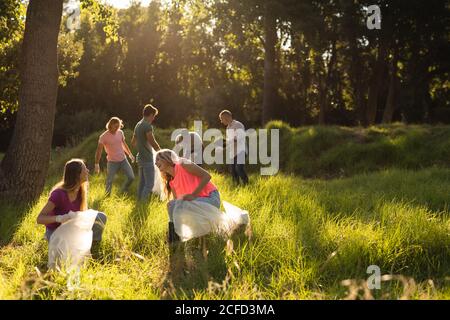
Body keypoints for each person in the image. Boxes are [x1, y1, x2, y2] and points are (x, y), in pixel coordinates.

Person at [155, 149, 220, 243]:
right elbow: (177, 207)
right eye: (155, 161)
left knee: (177, 205)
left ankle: (175, 239)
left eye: (158, 159)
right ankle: (174, 239)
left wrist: (193, 195)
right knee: (172, 205)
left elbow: (207, 176)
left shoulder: (183, 164)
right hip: (197, 202)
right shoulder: (172, 182)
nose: (155, 163)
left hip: (211, 198)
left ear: (167, 158)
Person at [37, 159, 107, 242]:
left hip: (71, 227)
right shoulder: (58, 194)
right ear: (77, 175)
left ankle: (93, 243)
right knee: (70, 245)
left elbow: (81, 214)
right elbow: (40, 219)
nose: (88, 171)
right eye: (85, 169)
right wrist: (59, 218)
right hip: (55, 231)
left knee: (100, 217)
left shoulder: (80, 190)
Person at [95, 117, 135, 196]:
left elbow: (123, 144)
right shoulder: (103, 137)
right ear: (110, 125)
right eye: (116, 126)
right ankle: (107, 196)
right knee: (109, 180)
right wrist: (96, 164)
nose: (117, 128)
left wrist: (130, 154)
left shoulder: (120, 132)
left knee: (131, 177)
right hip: (112, 162)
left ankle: (124, 189)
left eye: (119, 126)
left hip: (123, 160)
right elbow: (99, 151)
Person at [132, 104, 161, 201]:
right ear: (151, 114)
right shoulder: (147, 126)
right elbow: (152, 141)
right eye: (154, 116)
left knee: (142, 183)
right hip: (147, 159)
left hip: (140, 158)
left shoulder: (138, 125)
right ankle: (143, 203)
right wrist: (161, 152)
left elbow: (133, 142)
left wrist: (142, 147)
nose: (153, 118)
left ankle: (138, 201)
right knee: (149, 184)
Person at [219, 110, 249, 185]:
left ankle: (246, 184)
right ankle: (237, 186)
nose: (221, 121)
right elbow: (230, 141)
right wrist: (223, 144)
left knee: (239, 168)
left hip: (241, 151)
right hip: (233, 152)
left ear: (227, 117)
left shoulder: (238, 125)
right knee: (233, 171)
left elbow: (239, 138)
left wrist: (226, 141)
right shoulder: (228, 128)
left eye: (221, 119)